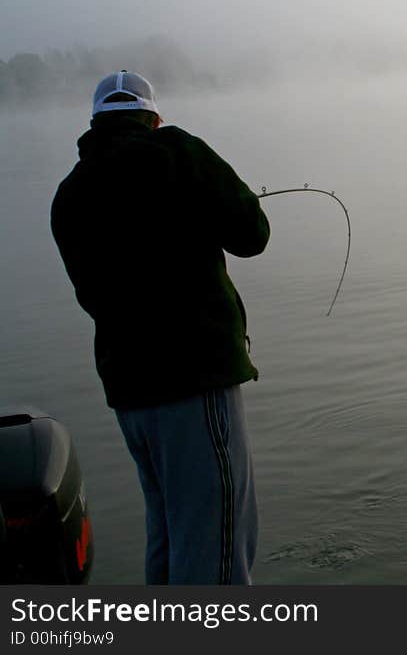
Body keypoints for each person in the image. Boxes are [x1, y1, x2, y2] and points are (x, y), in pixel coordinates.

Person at [51, 70, 270, 585]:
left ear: (95, 123)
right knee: (217, 544)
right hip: (194, 384)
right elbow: (252, 234)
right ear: (153, 117)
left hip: (128, 390)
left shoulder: (70, 194)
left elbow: (91, 296)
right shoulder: (176, 151)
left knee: (170, 534)